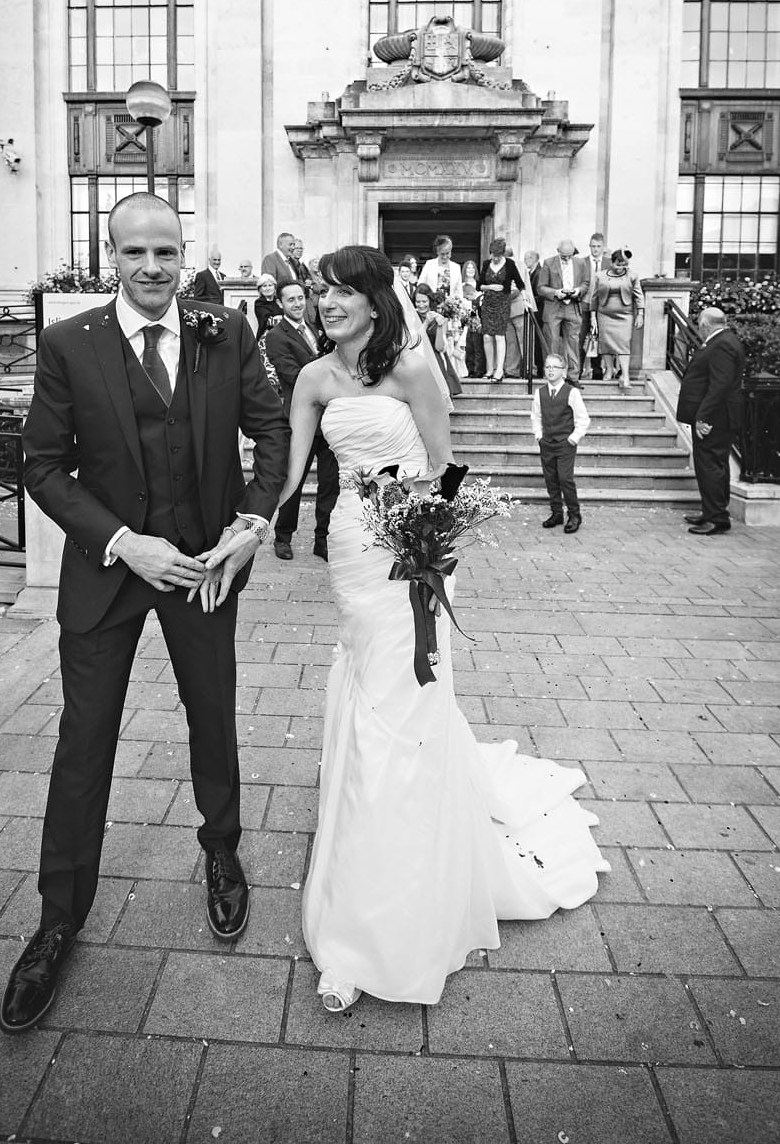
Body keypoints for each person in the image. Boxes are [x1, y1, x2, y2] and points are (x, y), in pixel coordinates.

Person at [228, 244, 607, 1012]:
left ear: (375, 300)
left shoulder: (409, 367)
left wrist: (436, 537)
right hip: (350, 549)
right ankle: (369, 859)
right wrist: (249, 523)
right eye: (318, 290)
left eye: (341, 291)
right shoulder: (312, 378)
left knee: (401, 701)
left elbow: (447, 462)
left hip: (414, 549)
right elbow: (289, 474)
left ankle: (380, 914)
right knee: (370, 685)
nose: (325, 301)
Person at [0, 193, 289, 1035]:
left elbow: (271, 434)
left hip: (203, 567)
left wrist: (250, 524)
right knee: (82, 742)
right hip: (110, 572)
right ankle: (58, 920)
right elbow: (44, 468)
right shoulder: (68, 344)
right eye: (137, 254)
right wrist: (125, 542)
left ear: (181, 252)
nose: (154, 268)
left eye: (167, 252)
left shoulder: (223, 331)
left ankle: (222, 851)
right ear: (112, 255)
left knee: (213, 718)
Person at [264, 280, 340, 562]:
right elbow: (292, 375)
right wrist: (331, 380)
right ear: (281, 304)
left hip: (330, 419)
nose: (297, 303)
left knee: (330, 483)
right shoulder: (276, 336)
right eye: (290, 300)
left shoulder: (317, 328)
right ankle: (283, 537)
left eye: (300, 298)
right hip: (301, 419)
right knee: (293, 481)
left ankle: (323, 540)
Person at [677, 306, 745, 536]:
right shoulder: (725, 340)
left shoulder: (723, 344)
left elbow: (720, 385)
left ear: (705, 324)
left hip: (715, 418)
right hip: (718, 416)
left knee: (710, 466)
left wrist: (703, 417)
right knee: (713, 465)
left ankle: (717, 517)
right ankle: (711, 512)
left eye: (699, 325)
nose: (700, 329)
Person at [531, 352, 590, 534]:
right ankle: (556, 513)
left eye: (554, 367)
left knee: (565, 479)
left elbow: (583, 419)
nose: (550, 370)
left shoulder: (571, 393)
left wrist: (573, 438)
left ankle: (574, 514)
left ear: (563, 371)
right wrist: (539, 435)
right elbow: (536, 416)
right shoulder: (540, 393)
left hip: (565, 443)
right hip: (547, 442)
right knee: (551, 479)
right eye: (547, 367)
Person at [536, 239, 589, 386]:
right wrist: (556, 292)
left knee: (573, 342)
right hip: (554, 306)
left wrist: (577, 291)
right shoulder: (548, 263)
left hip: (573, 306)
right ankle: (551, 376)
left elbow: (586, 283)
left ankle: (573, 377)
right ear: (558, 251)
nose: (566, 258)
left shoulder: (580, 263)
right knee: (551, 342)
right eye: (564, 256)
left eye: (569, 256)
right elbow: (540, 288)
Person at [593, 249, 645, 392]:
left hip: (625, 315)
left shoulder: (632, 276)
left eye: (623, 266)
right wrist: (592, 317)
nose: (620, 268)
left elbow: (638, 295)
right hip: (604, 314)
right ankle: (609, 370)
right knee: (606, 343)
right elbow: (594, 297)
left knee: (623, 344)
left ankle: (625, 375)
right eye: (618, 265)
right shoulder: (600, 276)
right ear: (611, 262)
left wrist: (640, 313)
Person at [477, 238, 524, 382]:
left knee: (499, 336)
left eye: (498, 255)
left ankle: (499, 370)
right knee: (487, 336)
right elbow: (479, 285)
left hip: (503, 302)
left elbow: (521, 284)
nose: (495, 258)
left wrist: (525, 299)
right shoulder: (486, 264)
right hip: (488, 303)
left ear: (503, 254)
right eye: (493, 255)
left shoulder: (510, 264)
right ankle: (489, 369)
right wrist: (489, 287)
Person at [415, 282, 462, 398]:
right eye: (418, 302)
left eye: (424, 301)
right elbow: (414, 340)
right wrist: (426, 323)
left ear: (430, 301)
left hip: (435, 359)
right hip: (417, 358)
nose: (421, 305)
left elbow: (440, 347)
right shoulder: (410, 317)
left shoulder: (438, 317)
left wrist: (440, 326)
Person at [579, 233, 608, 381]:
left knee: (600, 338)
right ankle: (577, 370)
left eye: (598, 246)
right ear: (589, 246)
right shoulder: (582, 262)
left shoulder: (609, 263)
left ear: (603, 247)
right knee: (581, 337)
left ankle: (597, 371)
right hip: (584, 305)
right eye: (593, 246)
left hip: (603, 308)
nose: (595, 249)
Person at [417, 234, 462, 303]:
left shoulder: (456, 267)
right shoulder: (429, 264)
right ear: (437, 252)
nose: (445, 256)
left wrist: (458, 303)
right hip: (431, 304)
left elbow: (459, 291)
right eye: (442, 254)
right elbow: (420, 285)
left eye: (447, 253)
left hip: (449, 306)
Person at [523, 249, 546, 378]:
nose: (525, 261)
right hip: (536, 310)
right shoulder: (532, 272)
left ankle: (540, 368)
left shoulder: (539, 272)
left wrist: (527, 301)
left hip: (538, 311)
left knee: (538, 341)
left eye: (526, 258)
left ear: (532, 259)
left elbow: (538, 294)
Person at [254, 274, 283, 340]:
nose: (268, 288)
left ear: (274, 287)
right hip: (267, 337)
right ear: (260, 289)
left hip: (283, 335)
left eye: (270, 285)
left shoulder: (279, 300)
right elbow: (268, 321)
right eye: (264, 286)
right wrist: (282, 317)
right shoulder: (259, 303)